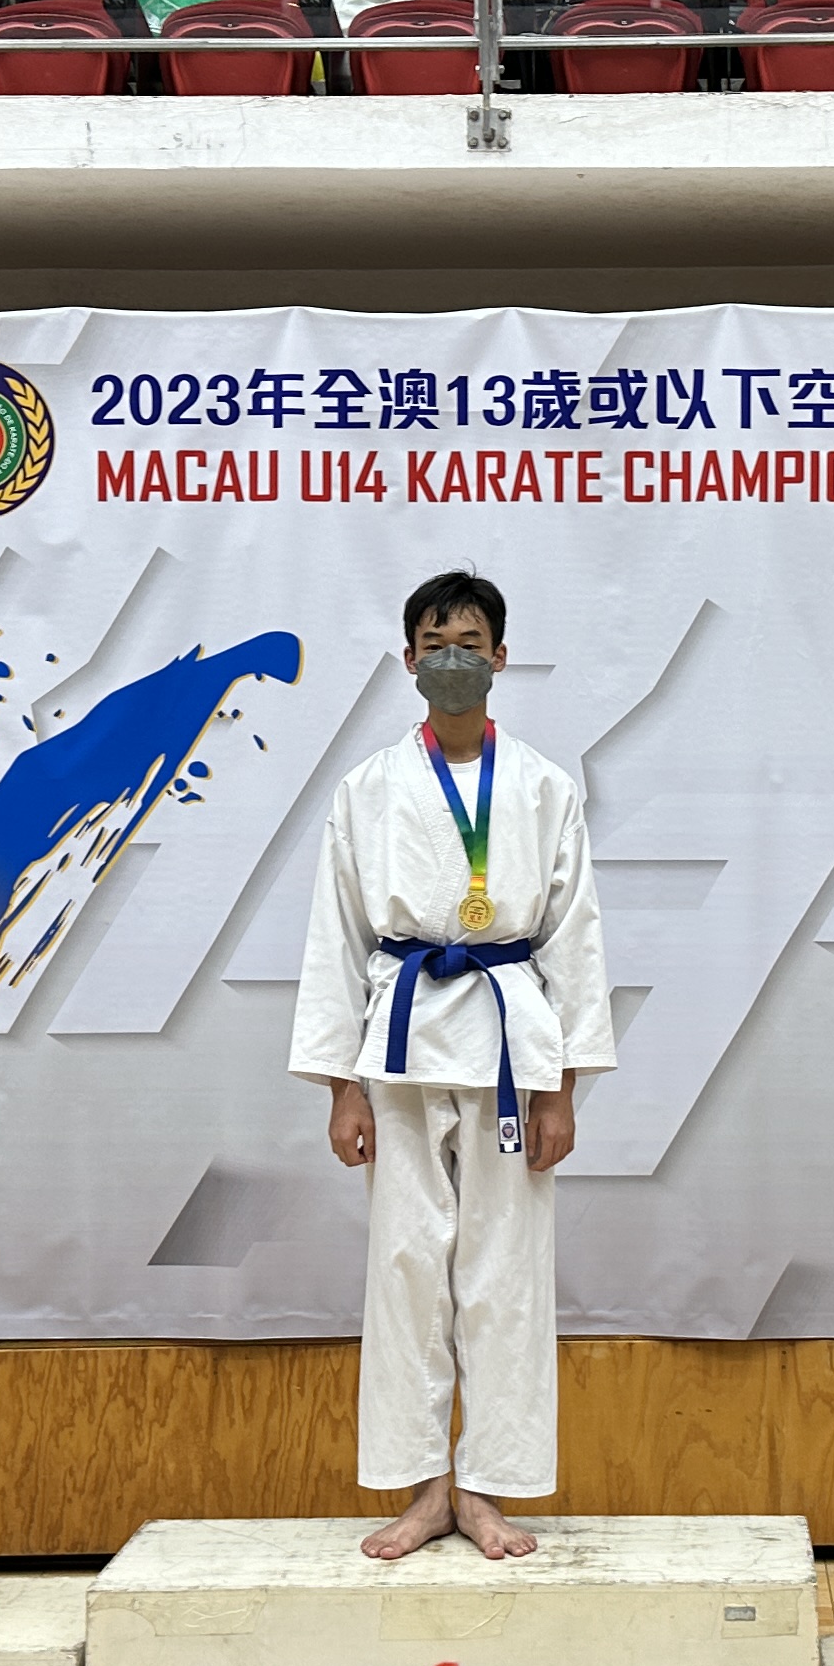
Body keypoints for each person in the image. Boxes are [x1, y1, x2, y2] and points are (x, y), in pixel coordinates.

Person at [291, 570, 613, 1561]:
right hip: (399, 1042)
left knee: (504, 1272)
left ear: (501, 657)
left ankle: (486, 1488)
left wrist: (563, 1088)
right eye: (435, 645)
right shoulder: (368, 789)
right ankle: (426, 1487)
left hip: (511, 1044)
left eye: (469, 643)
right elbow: (338, 938)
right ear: (409, 660)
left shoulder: (545, 787)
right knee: (405, 1268)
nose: (453, 660)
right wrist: (340, 1085)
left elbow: (573, 940)